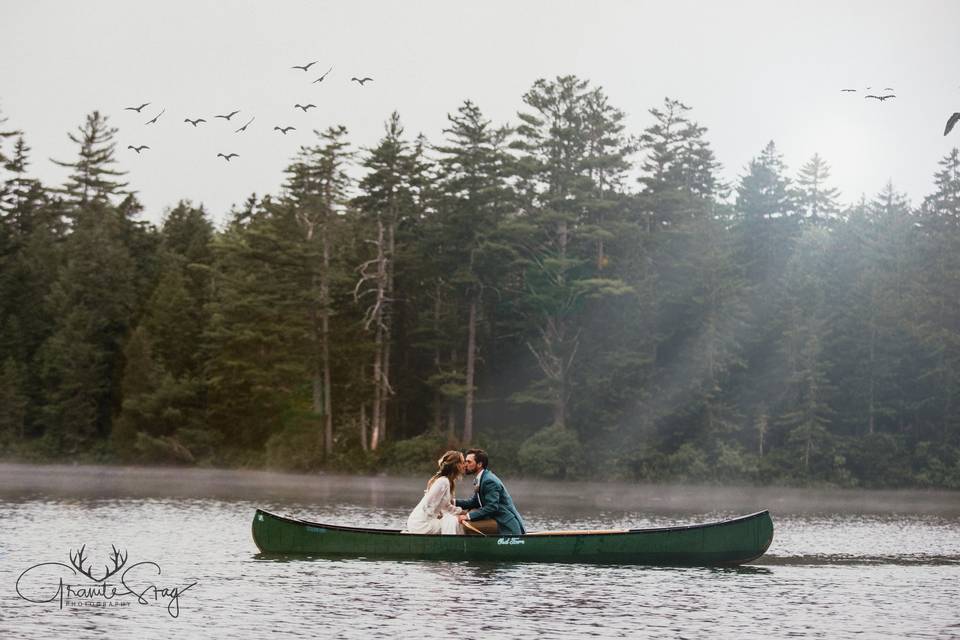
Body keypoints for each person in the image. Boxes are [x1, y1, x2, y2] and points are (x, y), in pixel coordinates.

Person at [456, 449, 526, 535]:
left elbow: (492, 507)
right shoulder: (481, 478)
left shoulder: (489, 481)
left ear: (479, 464)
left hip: (506, 525)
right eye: (465, 461)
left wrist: (468, 516)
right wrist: (453, 502)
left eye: (469, 462)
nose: (465, 465)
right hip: (494, 519)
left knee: (466, 526)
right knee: (465, 520)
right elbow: (474, 502)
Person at [403, 450, 465, 535]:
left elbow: (446, 506)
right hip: (421, 524)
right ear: (456, 465)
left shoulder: (447, 482)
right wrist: (438, 516)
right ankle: (452, 545)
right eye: (462, 462)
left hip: (427, 520)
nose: (464, 465)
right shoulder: (443, 482)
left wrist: (462, 512)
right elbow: (428, 504)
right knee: (452, 521)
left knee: (451, 520)